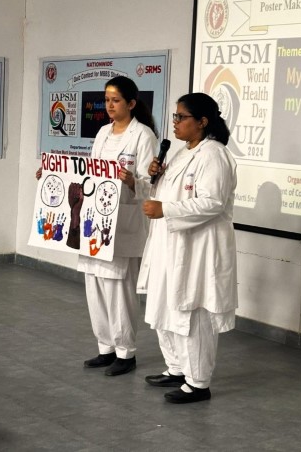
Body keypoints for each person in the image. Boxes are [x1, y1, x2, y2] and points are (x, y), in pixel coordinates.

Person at [36, 76, 158, 376]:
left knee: (119, 291)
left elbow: (152, 185)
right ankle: (106, 347)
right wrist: (52, 174)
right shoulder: (103, 132)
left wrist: (132, 181)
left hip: (124, 224)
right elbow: (90, 174)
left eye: (116, 100)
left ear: (131, 103)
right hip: (95, 221)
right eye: (107, 100)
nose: (110, 106)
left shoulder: (143, 136)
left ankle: (126, 352)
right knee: (95, 287)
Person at [137, 92, 238, 403]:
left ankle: (198, 382)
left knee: (191, 313)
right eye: (175, 116)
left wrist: (165, 209)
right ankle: (177, 368)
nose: (175, 122)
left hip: (197, 248)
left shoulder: (214, 155)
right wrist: (154, 178)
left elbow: (213, 202)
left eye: (181, 117)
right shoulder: (182, 153)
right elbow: (170, 192)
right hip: (169, 245)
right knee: (165, 306)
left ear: (202, 121)